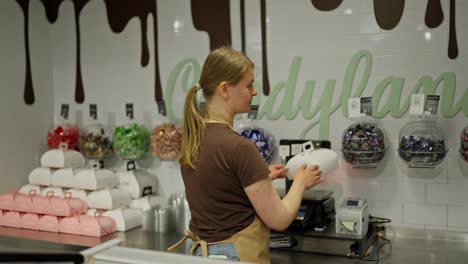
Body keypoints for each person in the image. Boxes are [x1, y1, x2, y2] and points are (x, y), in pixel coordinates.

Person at [167, 47, 323, 263]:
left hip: (201, 255)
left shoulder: (193, 137)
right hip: (235, 254)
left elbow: (220, 187)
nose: (254, 91)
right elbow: (279, 219)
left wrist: (261, 176)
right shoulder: (240, 147)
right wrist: (300, 183)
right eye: (248, 85)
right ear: (224, 90)